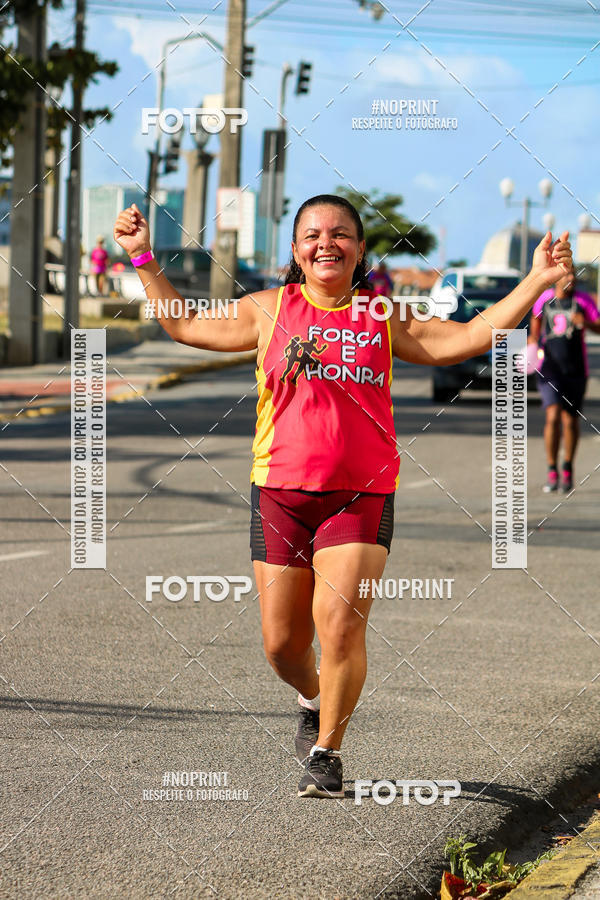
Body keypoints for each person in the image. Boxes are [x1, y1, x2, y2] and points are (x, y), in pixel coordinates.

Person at [113, 195, 572, 799]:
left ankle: (327, 753)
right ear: (296, 250)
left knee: (340, 629)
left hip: (360, 495)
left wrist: (537, 279)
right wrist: (143, 256)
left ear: (359, 249)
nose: (326, 243)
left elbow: (468, 337)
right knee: (281, 646)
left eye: (341, 234)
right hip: (279, 493)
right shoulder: (268, 310)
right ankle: (311, 697)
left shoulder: (382, 314)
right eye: (312, 235)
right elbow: (183, 324)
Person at [528, 273, 600, 493]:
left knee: (570, 421)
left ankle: (567, 468)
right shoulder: (545, 299)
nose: (570, 278)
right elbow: (536, 317)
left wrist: (585, 322)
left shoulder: (584, 300)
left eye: (573, 274)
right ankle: (552, 469)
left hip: (576, 370)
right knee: (552, 417)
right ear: (556, 278)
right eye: (565, 274)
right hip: (549, 368)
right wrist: (533, 338)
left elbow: (598, 325)